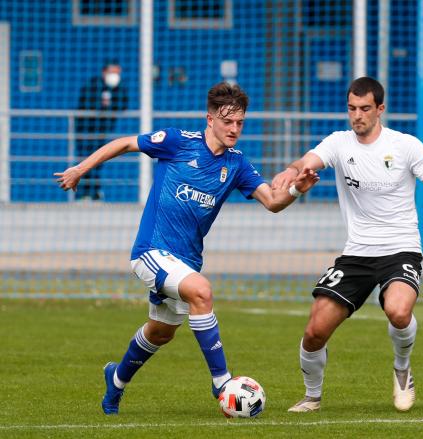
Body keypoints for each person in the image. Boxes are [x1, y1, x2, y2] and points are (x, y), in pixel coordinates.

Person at [55, 82, 319, 415]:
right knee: (201, 292)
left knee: (160, 332)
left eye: (240, 123)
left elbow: (272, 201)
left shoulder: (237, 164)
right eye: (228, 122)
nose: (234, 129)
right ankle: (222, 382)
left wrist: (296, 188)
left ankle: (116, 380)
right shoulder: (178, 142)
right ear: (210, 119)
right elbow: (124, 143)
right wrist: (81, 168)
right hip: (150, 251)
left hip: (186, 260)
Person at [272, 77, 423, 413]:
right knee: (315, 331)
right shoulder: (339, 143)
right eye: (351, 108)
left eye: (364, 109)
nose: (356, 115)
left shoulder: (406, 146)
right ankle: (312, 396)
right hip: (356, 255)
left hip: (401, 248)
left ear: (380, 109)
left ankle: (402, 370)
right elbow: (308, 160)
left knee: (398, 311)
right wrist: (290, 172)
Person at [75, 61, 129, 200]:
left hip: (103, 131)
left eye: (117, 73)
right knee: (86, 159)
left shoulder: (118, 88)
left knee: (100, 159)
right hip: (86, 130)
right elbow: (85, 103)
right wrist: (100, 104)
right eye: (112, 72)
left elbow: (123, 105)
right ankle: (84, 193)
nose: (115, 76)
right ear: (104, 72)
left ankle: (95, 192)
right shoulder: (93, 85)